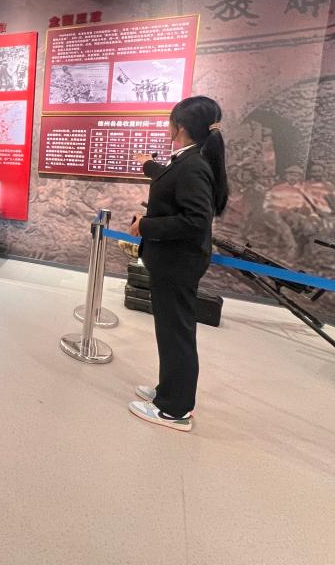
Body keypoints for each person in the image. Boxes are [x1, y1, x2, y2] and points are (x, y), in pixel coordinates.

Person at [128, 95, 228, 432]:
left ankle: (175, 409)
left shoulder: (194, 165)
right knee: (170, 330)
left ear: (180, 126)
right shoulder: (189, 159)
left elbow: (195, 221)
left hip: (178, 262)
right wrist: (148, 166)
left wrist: (146, 226)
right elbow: (169, 178)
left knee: (176, 333)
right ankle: (168, 390)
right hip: (173, 261)